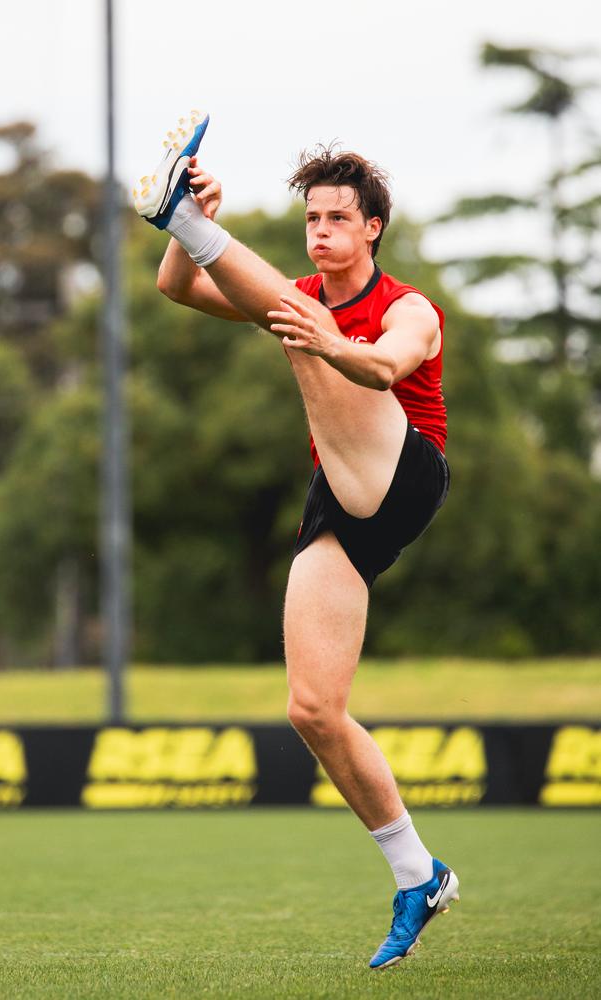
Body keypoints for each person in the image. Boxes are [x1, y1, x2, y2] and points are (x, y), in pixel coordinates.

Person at [134, 110, 459, 969]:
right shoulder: (300, 301)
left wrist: (324, 340)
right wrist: (185, 228)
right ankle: (417, 873)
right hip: (339, 499)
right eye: (312, 218)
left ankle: (186, 216)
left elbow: (389, 366)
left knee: (297, 333)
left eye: (338, 218)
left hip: (403, 470)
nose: (322, 231)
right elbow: (177, 291)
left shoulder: (408, 306)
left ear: (372, 227)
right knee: (312, 709)